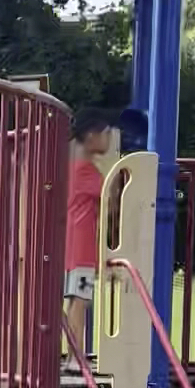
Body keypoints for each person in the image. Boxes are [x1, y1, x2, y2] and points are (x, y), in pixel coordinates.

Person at [62, 107, 114, 370]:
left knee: (74, 300)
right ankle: (75, 357)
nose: (108, 140)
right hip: (81, 245)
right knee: (80, 301)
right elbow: (112, 204)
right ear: (91, 135)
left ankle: (73, 354)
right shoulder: (87, 172)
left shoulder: (69, 167)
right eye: (106, 134)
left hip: (68, 243)